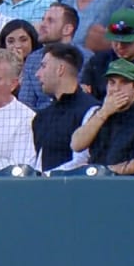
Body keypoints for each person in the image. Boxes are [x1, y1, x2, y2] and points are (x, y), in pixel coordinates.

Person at [70, 58, 134, 175]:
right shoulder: (100, 112)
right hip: (95, 180)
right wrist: (104, 113)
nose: (116, 89)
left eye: (124, 82)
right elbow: (76, 144)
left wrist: (108, 172)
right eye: (112, 82)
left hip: (125, 183)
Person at [32, 42, 98, 172]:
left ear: (60, 69)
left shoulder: (91, 110)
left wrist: (46, 178)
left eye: (43, 66)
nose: (37, 74)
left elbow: (81, 161)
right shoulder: (41, 117)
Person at [81, 9, 134, 101]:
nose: (120, 46)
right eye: (115, 41)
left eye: (126, 42)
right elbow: (85, 90)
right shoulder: (98, 61)